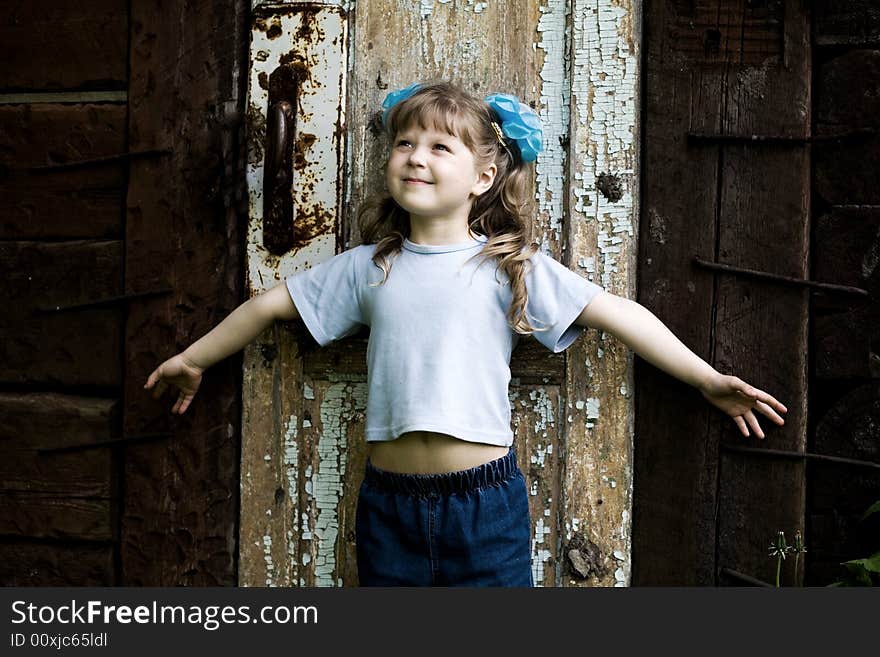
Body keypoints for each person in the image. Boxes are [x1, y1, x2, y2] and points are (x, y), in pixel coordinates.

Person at [144, 80, 788, 587]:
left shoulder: (508, 268)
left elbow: (620, 313)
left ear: (482, 179)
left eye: (438, 147)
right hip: (388, 504)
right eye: (404, 144)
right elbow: (267, 308)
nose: (415, 157)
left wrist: (707, 378)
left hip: (484, 506)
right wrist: (192, 359)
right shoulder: (370, 267)